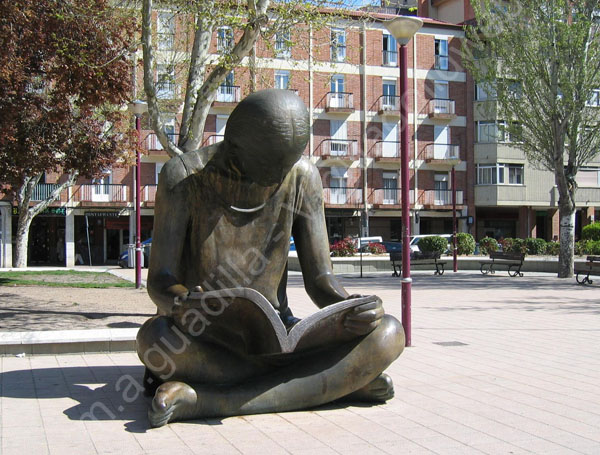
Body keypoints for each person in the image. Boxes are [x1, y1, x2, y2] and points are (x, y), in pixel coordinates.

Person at [137, 89, 405, 427]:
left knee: (389, 332)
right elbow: (160, 280)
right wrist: (183, 302)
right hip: (207, 337)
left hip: (280, 340)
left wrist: (351, 308)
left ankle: (208, 400)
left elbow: (321, 280)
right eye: (269, 170)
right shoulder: (184, 177)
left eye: (287, 166)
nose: (280, 177)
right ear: (234, 147)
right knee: (153, 340)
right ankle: (334, 383)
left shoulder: (303, 176)